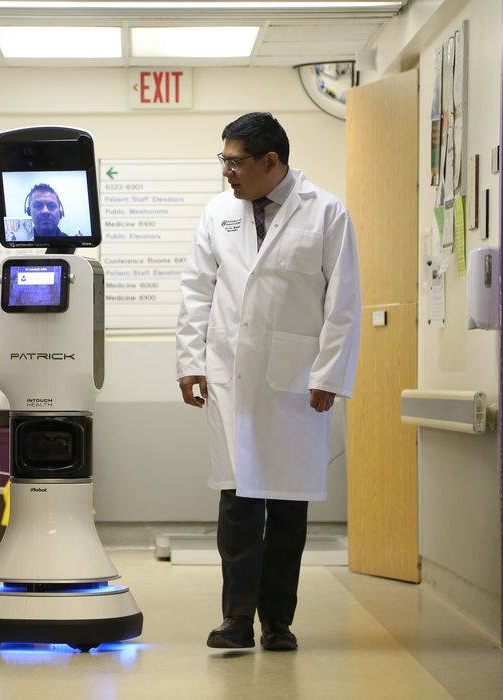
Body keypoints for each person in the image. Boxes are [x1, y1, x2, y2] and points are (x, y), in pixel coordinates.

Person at [175, 112, 361, 652]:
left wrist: (329, 373)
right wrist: (190, 363)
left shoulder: (326, 213)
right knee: (237, 506)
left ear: (270, 162)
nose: (227, 173)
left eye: (235, 162)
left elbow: (342, 302)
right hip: (230, 378)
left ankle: (277, 621)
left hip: (295, 383)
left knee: (286, 508)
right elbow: (196, 292)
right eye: (225, 161)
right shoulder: (217, 213)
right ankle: (235, 619)